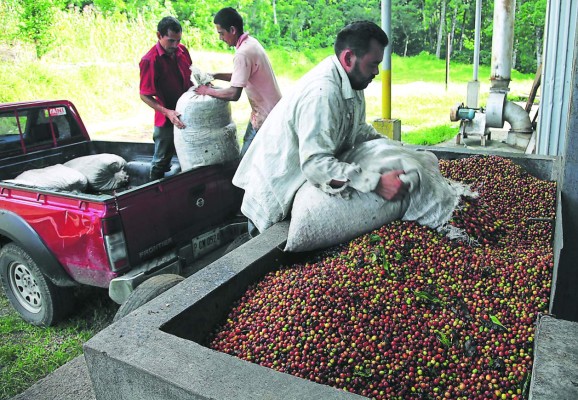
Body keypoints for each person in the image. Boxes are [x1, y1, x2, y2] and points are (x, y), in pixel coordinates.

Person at [232, 21, 408, 234]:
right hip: (275, 189)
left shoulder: (353, 82)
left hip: (295, 183)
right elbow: (316, 164)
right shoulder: (322, 94)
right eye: (373, 64)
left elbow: (358, 129)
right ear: (349, 58)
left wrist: (396, 149)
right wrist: (376, 183)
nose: (377, 72)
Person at [194, 7, 281, 157]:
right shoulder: (250, 43)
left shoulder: (243, 53)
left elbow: (234, 93)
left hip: (266, 116)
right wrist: (215, 75)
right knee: (256, 158)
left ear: (232, 30)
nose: (221, 38)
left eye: (221, 33)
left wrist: (207, 91)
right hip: (270, 111)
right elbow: (241, 75)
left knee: (246, 162)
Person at [139, 16, 192, 180]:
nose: (175, 46)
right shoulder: (150, 60)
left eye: (178, 40)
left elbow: (190, 76)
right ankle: (154, 192)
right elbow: (144, 95)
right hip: (165, 117)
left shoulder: (182, 51)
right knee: (162, 159)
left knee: (191, 154)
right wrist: (167, 112)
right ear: (159, 36)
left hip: (188, 111)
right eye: (170, 41)